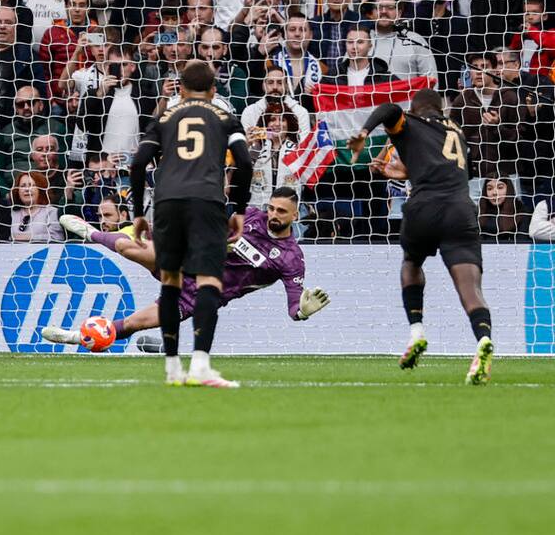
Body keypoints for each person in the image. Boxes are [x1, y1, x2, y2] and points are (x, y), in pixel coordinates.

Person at [46, 188, 330, 344]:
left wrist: (302, 312)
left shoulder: (292, 258)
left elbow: (295, 307)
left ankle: (76, 337)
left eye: (281, 211)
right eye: (271, 207)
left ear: (296, 214)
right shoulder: (253, 216)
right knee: (125, 247)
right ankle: (91, 233)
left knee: (134, 324)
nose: (273, 214)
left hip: (199, 295)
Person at [348, 88, 494, 384]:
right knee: (470, 287)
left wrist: (364, 131)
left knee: (411, 264)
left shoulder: (411, 122)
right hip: (461, 211)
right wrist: (405, 173)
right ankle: (483, 340)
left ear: (415, 109)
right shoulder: (457, 132)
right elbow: (439, 167)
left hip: (425, 206)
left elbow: (388, 108)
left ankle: (416, 331)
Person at [129, 59, 254, 388]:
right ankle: (200, 364)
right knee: (208, 282)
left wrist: (138, 212)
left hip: (167, 202)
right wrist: (239, 208)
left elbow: (139, 162)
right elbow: (243, 161)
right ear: (214, 91)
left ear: (180, 90)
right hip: (206, 202)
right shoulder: (226, 118)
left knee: (170, 281)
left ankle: (172, 368)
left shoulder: (164, 118)